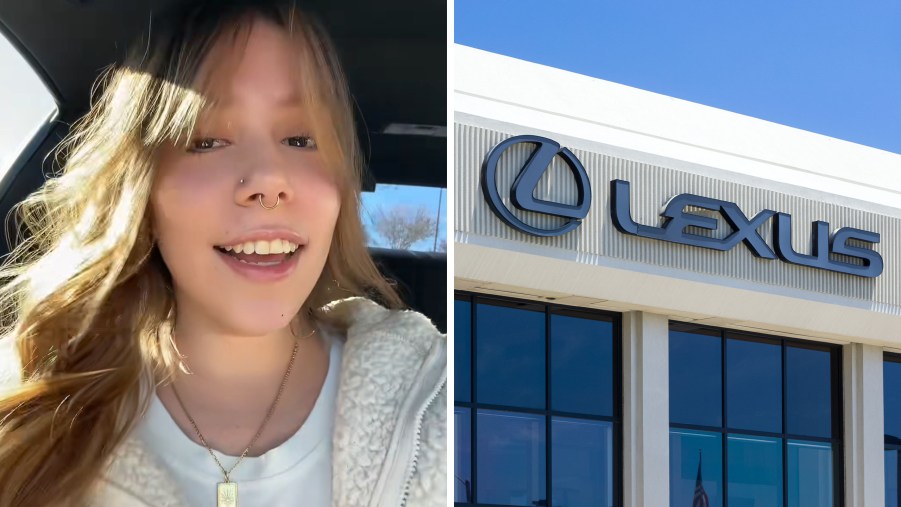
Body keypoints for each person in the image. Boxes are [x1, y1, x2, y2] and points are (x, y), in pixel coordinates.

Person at [0, 1, 446, 506]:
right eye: (208, 141)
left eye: (301, 139)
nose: (268, 181)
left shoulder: (439, 409)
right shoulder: (26, 417)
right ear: (142, 187)